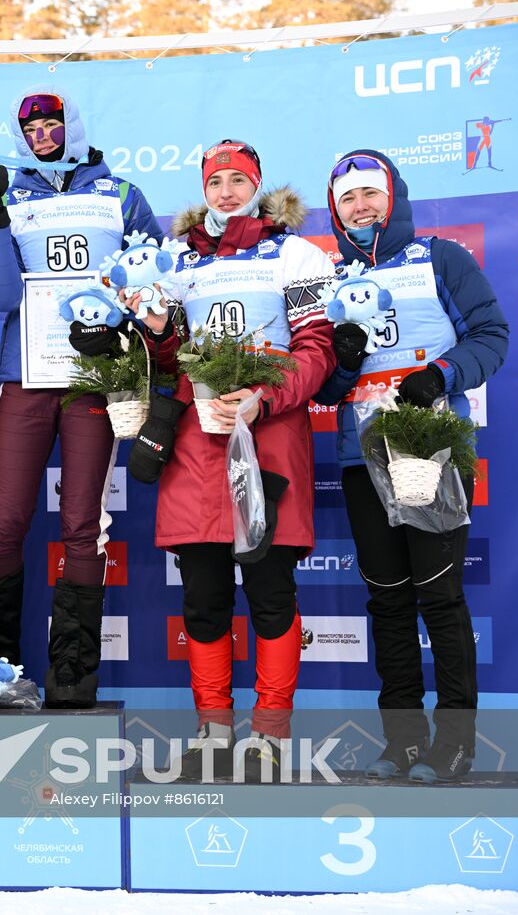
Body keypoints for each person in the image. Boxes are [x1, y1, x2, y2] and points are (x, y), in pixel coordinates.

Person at [137, 141, 335, 778]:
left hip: (266, 435)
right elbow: (170, 363)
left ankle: (271, 733)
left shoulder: (295, 252)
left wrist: (263, 399)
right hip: (198, 443)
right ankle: (213, 731)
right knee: (203, 596)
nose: (225, 192)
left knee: (271, 592)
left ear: (257, 184)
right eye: (214, 181)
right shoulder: (178, 261)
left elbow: (316, 351)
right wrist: (162, 332)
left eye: (237, 180)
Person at [313, 150, 508, 782]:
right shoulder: (329, 277)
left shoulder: (442, 258)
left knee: (439, 597)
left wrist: (441, 374)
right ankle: (402, 742)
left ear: (393, 197)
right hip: (359, 456)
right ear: (336, 210)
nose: (361, 207)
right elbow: (327, 387)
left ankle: (455, 744)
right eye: (348, 199)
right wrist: (342, 360)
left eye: (371, 194)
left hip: (430, 449)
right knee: (389, 601)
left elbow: (491, 335)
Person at [0, 86, 161, 708]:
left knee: (84, 524)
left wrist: (116, 324)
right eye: (31, 130)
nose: (41, 137)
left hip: (91, 378)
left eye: (52, 125)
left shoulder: (120, 194)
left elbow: (155, 274)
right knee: (4, 525)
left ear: (71, 127)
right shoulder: (10, 192)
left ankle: (72, 676)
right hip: (27, 374)